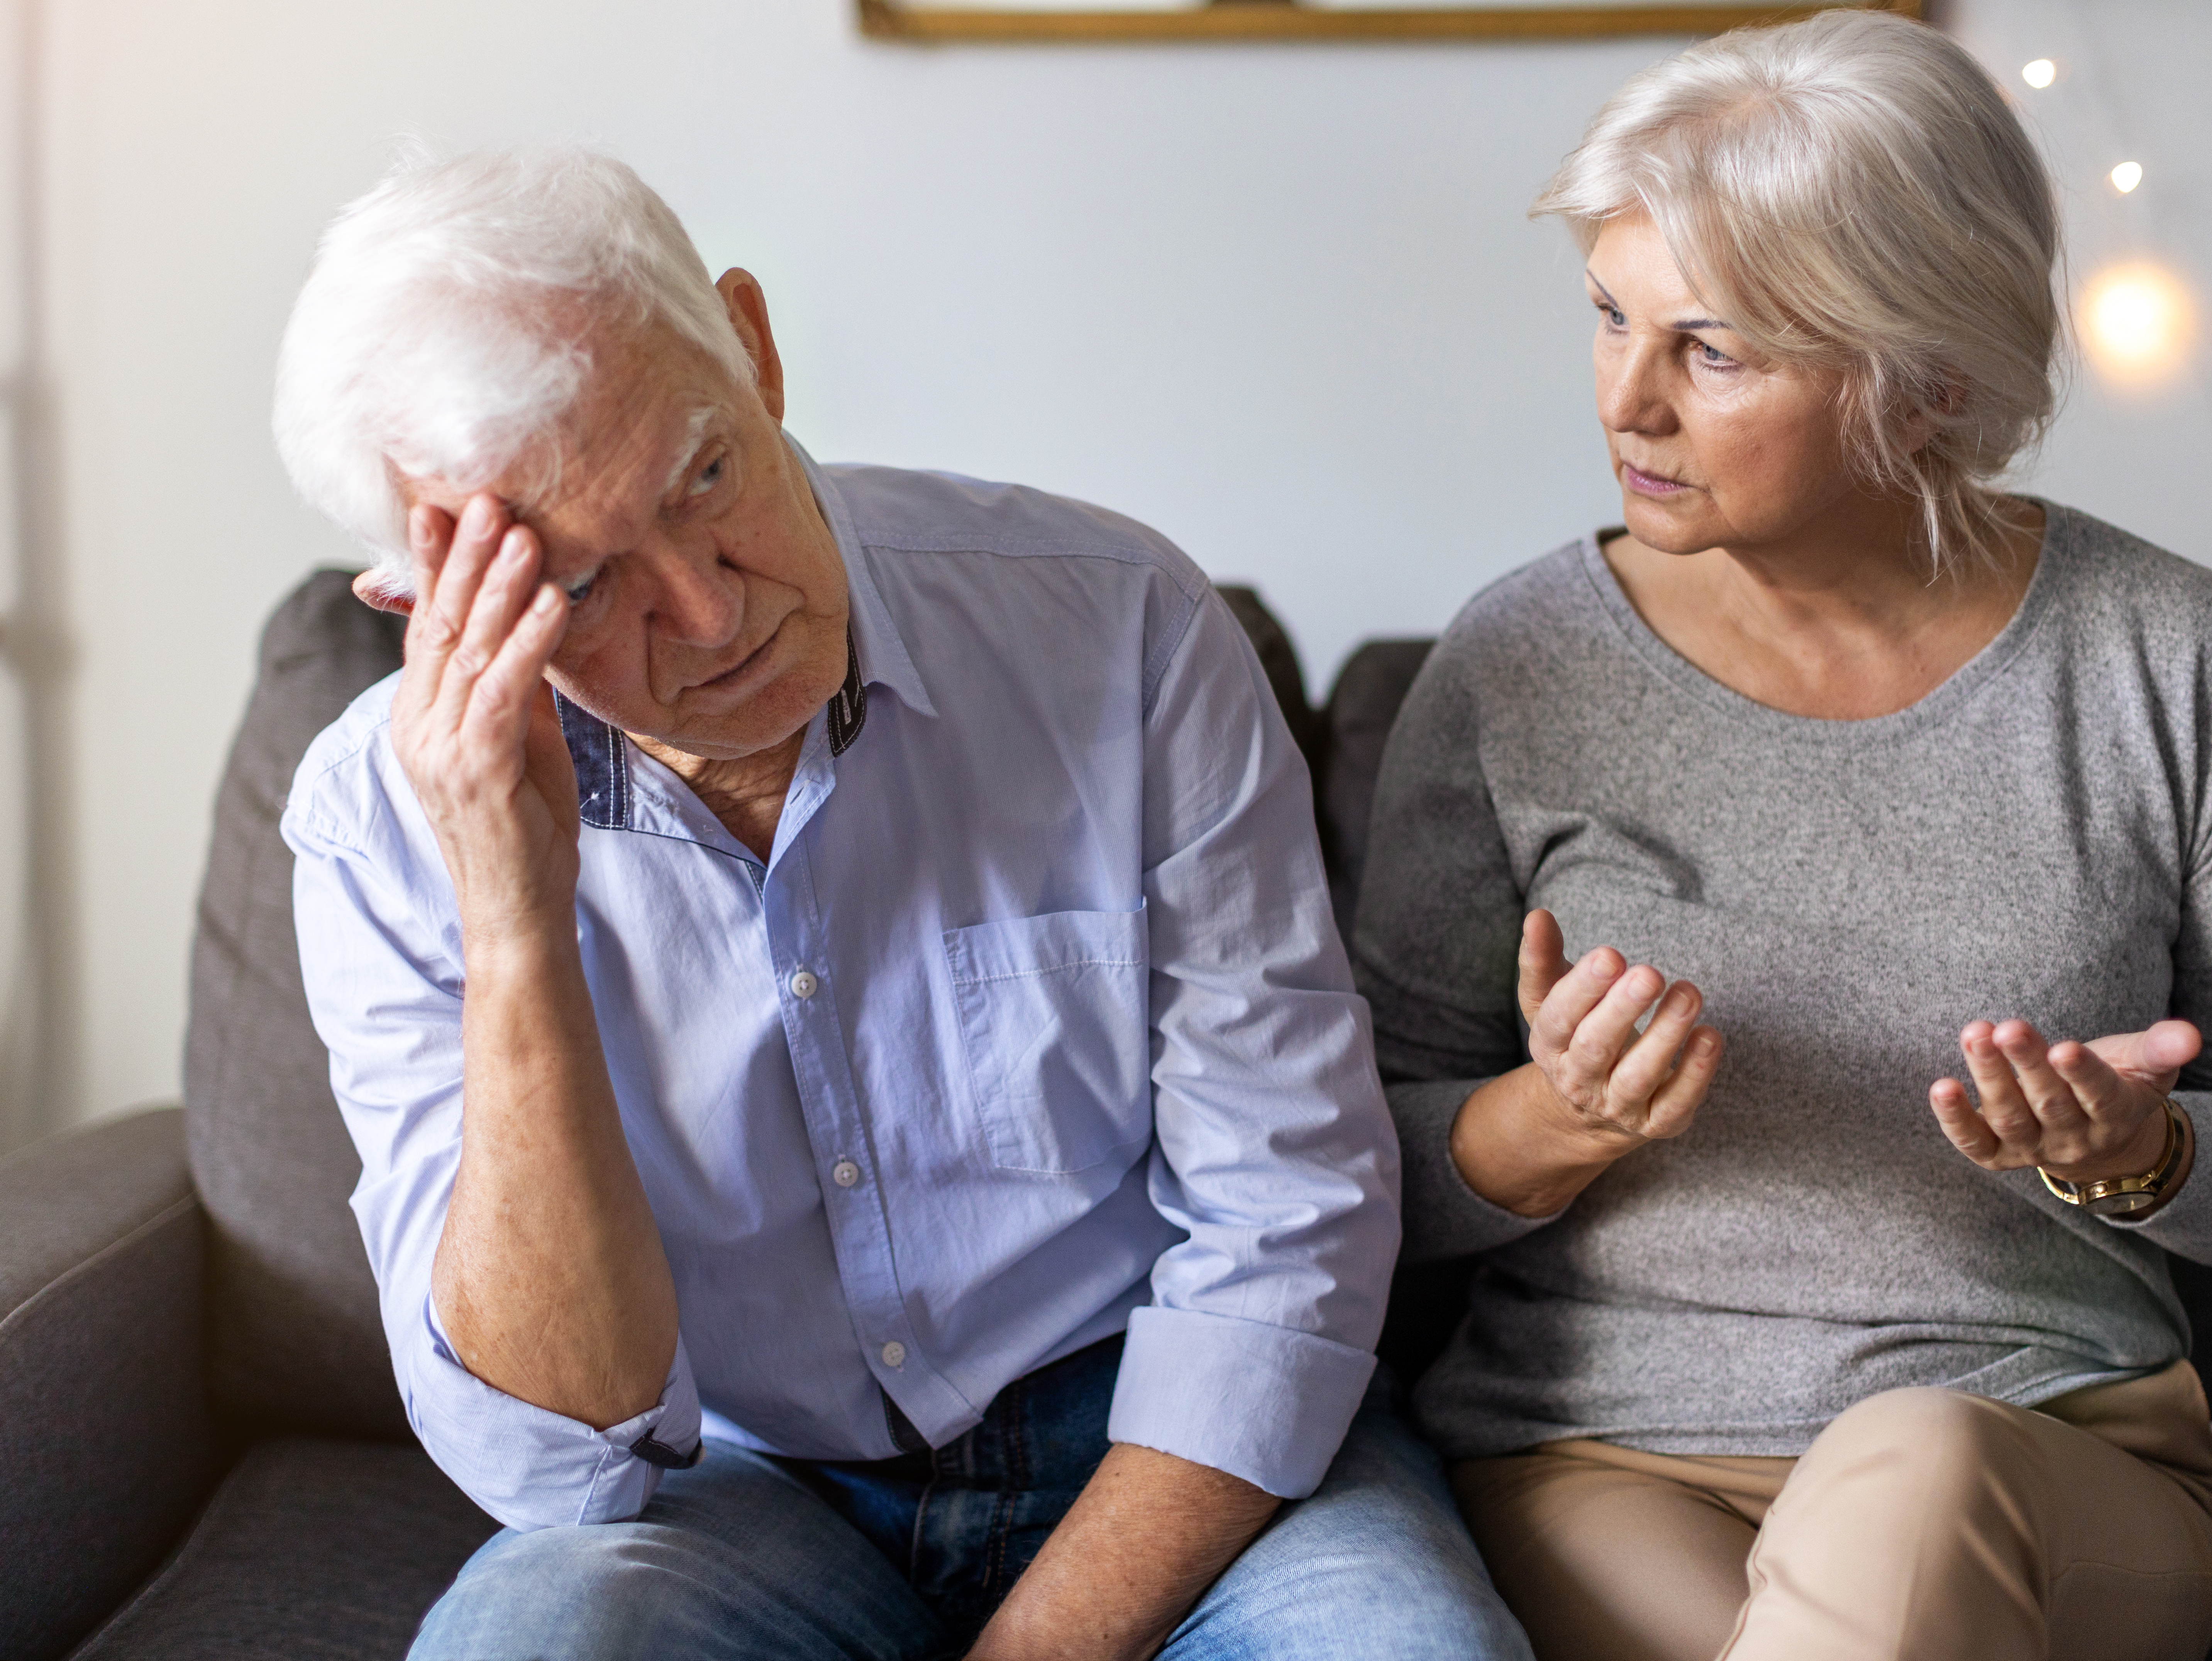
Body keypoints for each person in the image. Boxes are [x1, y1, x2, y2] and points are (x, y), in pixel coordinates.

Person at [273, 145, 1526, 1661]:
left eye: (708, 475)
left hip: (1156, 1435)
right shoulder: (374, 821)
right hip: (746, 1491)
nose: (716, 610)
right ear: (430, 603)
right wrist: (517, 916)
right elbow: (553, 1464)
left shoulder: (1124, 630)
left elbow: (1289, 1226)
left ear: (753, 344)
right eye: (586, 586)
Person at [1350, 13, 2212, 1661]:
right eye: (1611, 315)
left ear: (1927, 380)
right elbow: (1351, 1158)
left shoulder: (2174, 659)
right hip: (1602, 1464)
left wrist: (2142, 1155)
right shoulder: (1516, 668)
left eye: (1717, 350)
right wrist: (1556, 1117)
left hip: (2051, 1458)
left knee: (1911, 1463)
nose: (1627, 399)